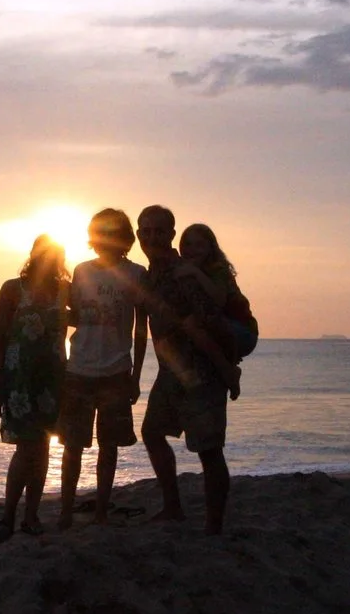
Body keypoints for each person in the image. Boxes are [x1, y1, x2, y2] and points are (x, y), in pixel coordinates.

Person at [135, 207, 242, 533]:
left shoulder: (181, 273)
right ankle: (173, 507)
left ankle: (213, 527)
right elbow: (148, 327)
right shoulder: (149, 274)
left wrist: (226, 370)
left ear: (171, 234)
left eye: (160, 231)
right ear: (139, 236)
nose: (152, 237)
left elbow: (201, 325)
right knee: (152, 433)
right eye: (146, 231)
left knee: (209, 451)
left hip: (202, 373)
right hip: (171, 373)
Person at [55, 209, 147, 531]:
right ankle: (66, 510)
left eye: (113, 232)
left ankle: (102, 512)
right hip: (78, 368)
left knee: (109, 447)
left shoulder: (136, 273)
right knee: (72, 446)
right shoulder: (81, 271)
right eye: (101, 232)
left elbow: (140, 329)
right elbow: (76, 316)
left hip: (116, 371)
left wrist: (136, 376)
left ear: (123, 238)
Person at [0, 235, 68, 542]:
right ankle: (9, 516)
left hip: (52, 380)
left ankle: (31, 515)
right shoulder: (12, 289)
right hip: (20, 379)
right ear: (33, 255)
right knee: (26, 448)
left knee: (43, 446)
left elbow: (78, 316)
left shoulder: (63, 290)